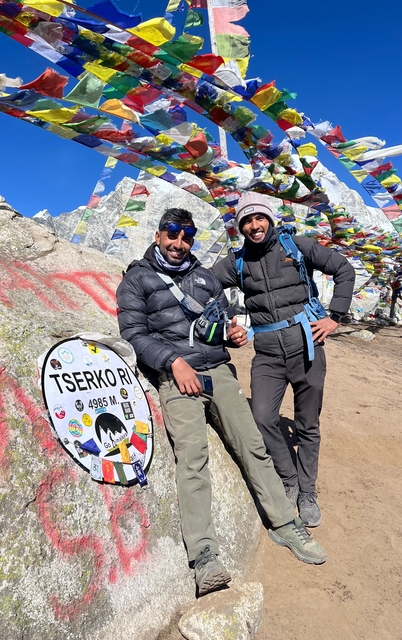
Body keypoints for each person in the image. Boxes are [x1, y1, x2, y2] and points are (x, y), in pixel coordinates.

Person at [117, 207, 327, 597]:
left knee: (254, 446)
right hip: (176, 378)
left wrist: (231, 334)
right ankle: (204, 556)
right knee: (193, 460)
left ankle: (284, 523)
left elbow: (223, 315)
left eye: (186, 236)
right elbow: (132, 332)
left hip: (219, 371)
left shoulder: (203, 275)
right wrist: (173, 361)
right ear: (159, 234)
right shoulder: (136, 278)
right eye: (172, 234)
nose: (179, 243)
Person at [212, 192, 355, 528]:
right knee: (262, 417)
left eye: (258, 218)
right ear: (240, 228)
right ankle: (288, 477)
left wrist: (335, 316)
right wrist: (225, 322)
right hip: (267, 355)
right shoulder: (237, 262)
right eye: (246, 221)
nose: (254, 225)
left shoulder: (297, 247)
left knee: (307, 425)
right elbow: (201, 283)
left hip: (307, 347)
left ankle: (307, 492)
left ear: (269, 220)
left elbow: (343, 269)